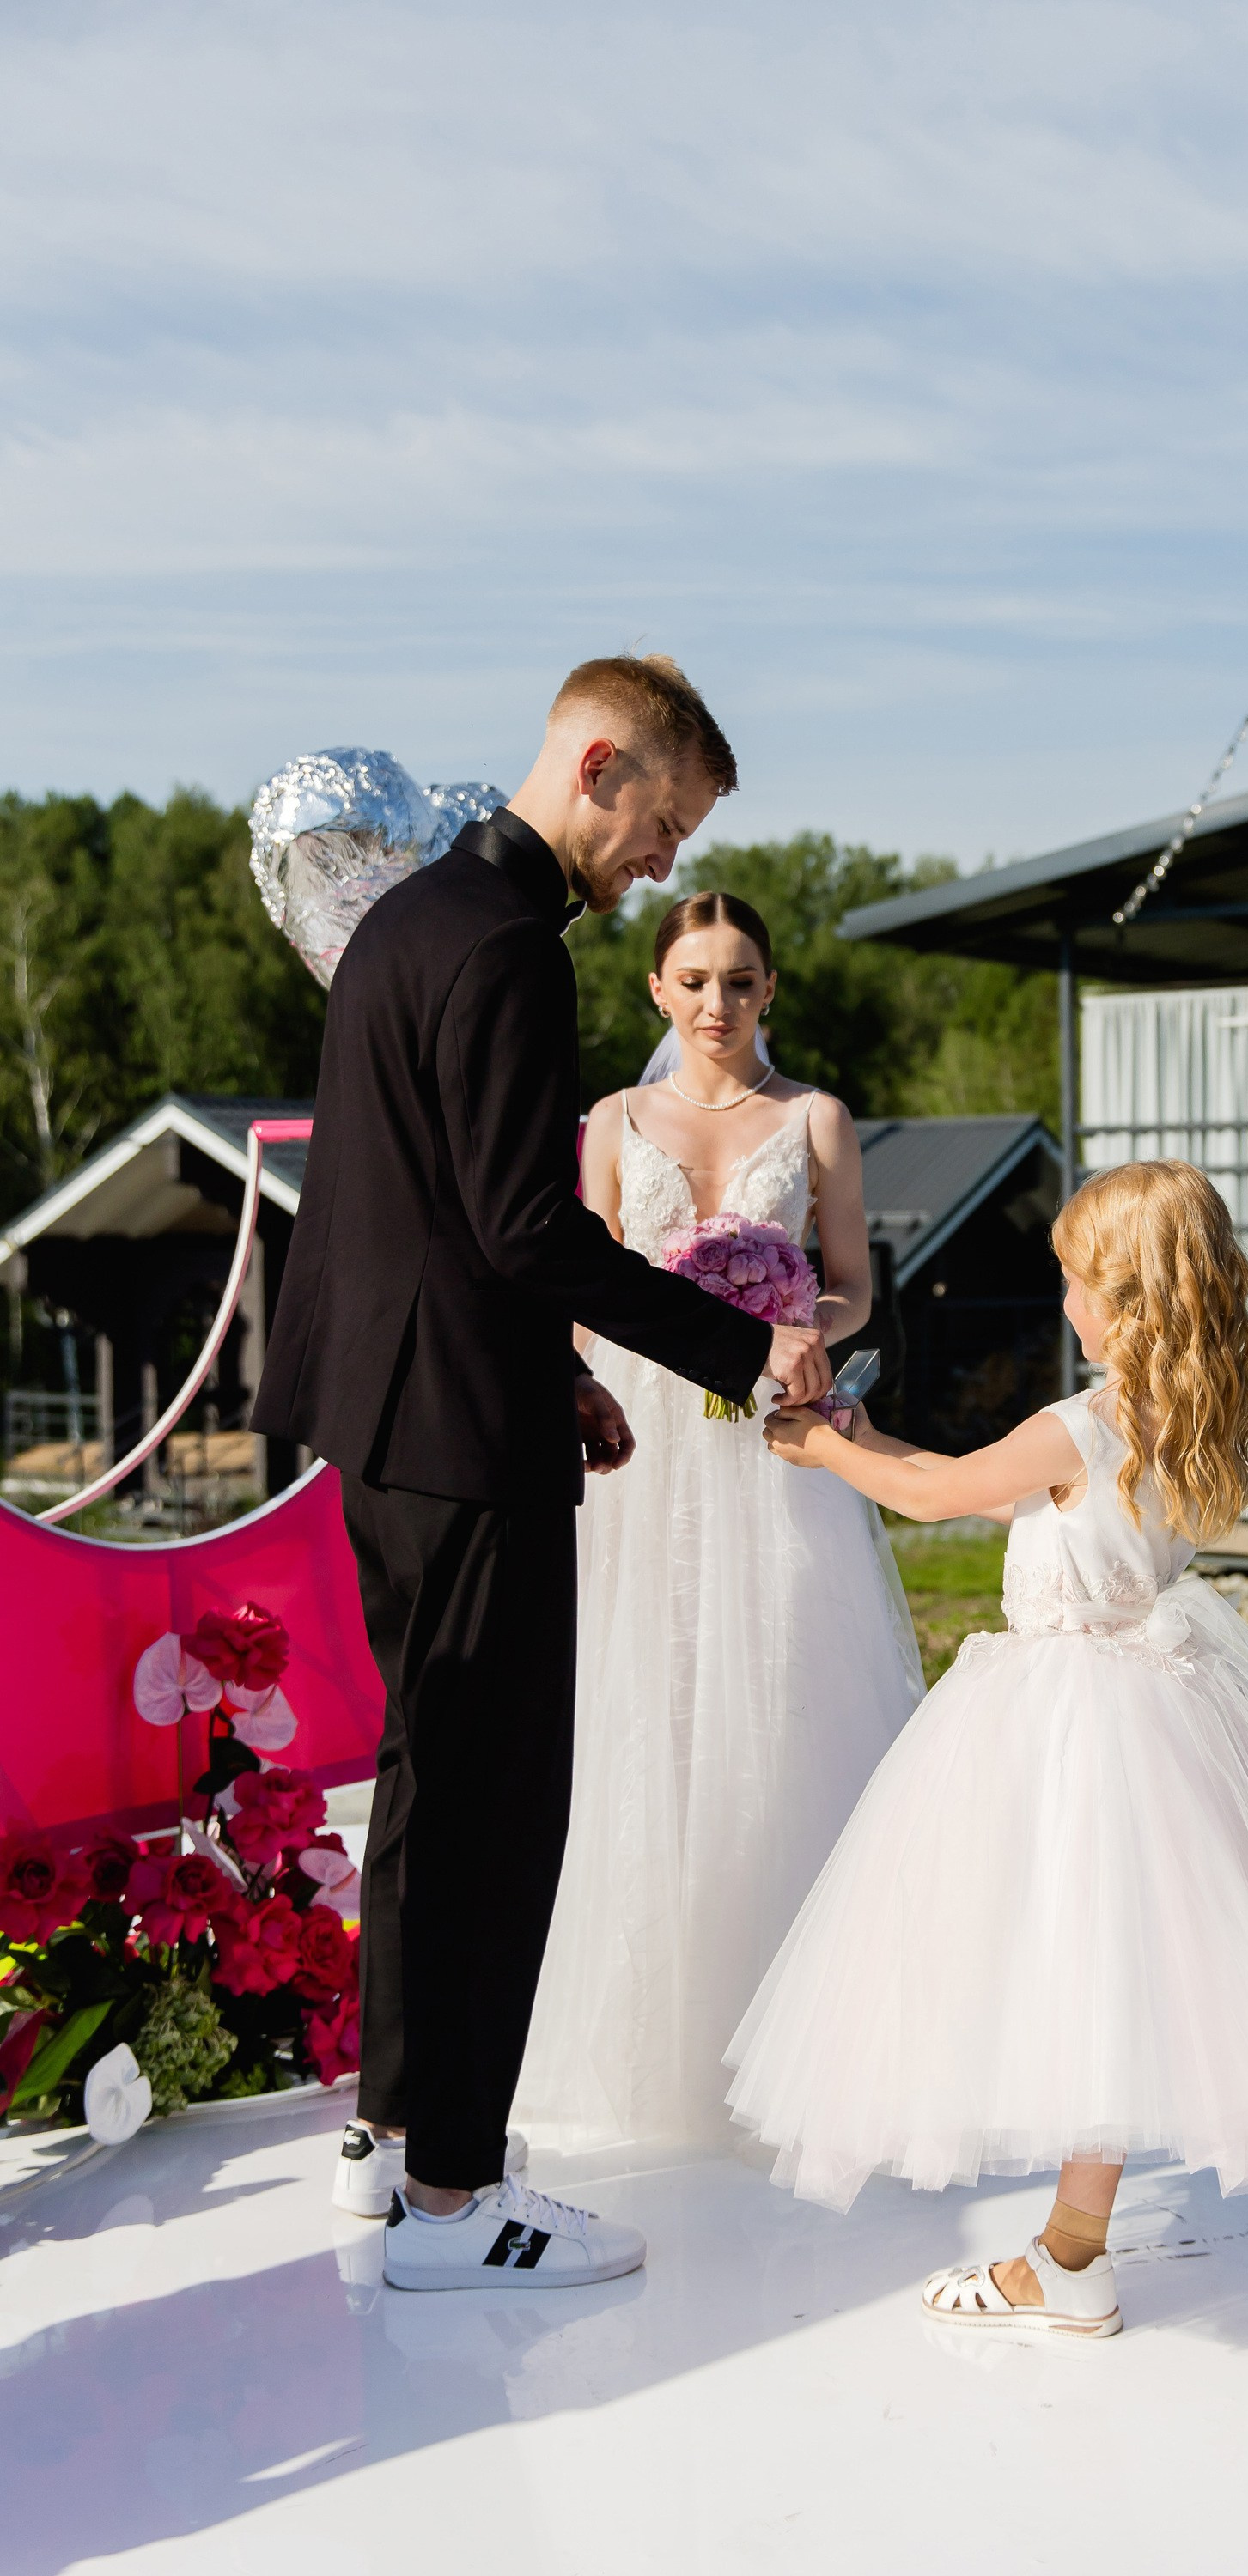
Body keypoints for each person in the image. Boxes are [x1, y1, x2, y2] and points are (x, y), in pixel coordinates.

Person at [733, 1161, 1248, 2416]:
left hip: (1079, 1736)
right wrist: (879, 1443)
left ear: (1123, 1301)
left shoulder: (1080, 1425)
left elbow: (936, 1496)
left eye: (1077, 1280)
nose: (1066, 1299)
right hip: (1159, 1724)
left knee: (1204, 2018)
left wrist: (822, 1449)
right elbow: (987, 1484)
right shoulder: (1175, 1417)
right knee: (1112, 1995)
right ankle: (1069, 2262)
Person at [252, 657, 833, 2293]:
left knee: (429, 1781)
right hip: (457, 1434)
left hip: (387, 1415)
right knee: (500, 1805)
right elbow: (519, 1223)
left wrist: (556, 1363)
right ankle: (457, 2199)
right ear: (598, 765)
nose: (662, 858)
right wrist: (737, 1345)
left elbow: (424, 1205)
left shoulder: (412, 921)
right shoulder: (506, 950)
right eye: (665, 819)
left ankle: (388, 2145)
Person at [514, 890, 923, 2152]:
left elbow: (856, 1289)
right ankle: (638, 2048)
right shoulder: (610, 1122)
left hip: (762, 1434)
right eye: (693, 979)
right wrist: (564, 1391)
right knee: (640, 1703)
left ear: (772, 991)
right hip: (640, 1441)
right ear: (655, 990)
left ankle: (800, 2049)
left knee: (779, 1703)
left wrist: (804, 1318)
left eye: (740, 980)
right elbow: (576, 1293)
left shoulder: (816, 1121)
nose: (716, 1003)